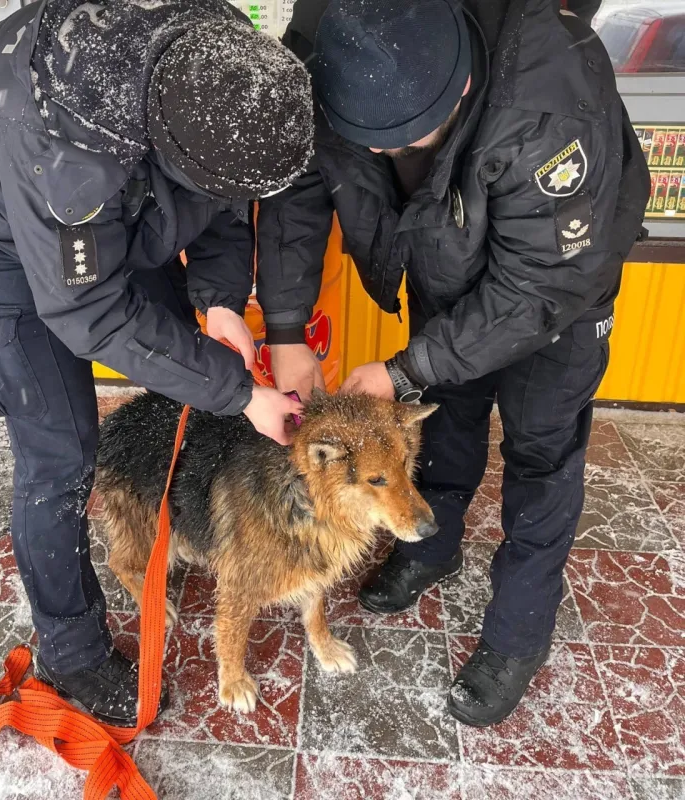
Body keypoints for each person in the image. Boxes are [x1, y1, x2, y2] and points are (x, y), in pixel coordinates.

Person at [0, 0, 313, 727]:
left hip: (125, 186)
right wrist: (239, 392)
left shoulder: (222, 65)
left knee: (182, 374)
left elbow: (225, 197)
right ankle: (72, 652)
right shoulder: (63, 139)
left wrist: (221, 301)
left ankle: (175, 530)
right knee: (60, 455)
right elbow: (89, 312)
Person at [257, 0, 650, 726]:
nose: (386, 159)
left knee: (541, 453)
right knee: (448, 416)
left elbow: (540, 287)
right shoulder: (325, 50)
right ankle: (433, 548)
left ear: (461, 85)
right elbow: (301, 189)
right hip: (447, 259)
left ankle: (518, 634)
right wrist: (285, 330)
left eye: (407, 141)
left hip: (560, 290)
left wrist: (405, 369)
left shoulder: (548, 95)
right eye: (370, 145)